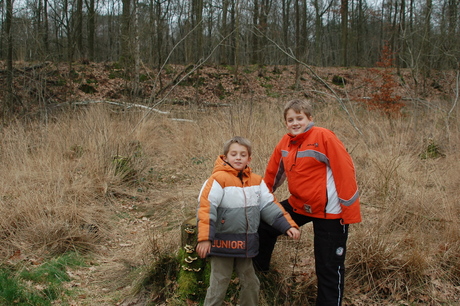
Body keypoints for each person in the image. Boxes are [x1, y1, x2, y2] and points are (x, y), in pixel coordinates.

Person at [253, 99, 362, 306]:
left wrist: (349, 212)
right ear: (285, 123)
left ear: (310, 119)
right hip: (299, 205)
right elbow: (273, 174)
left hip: (331, 212)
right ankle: (260, 276)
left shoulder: (323, 137)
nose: (295, 123)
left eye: (299, 118)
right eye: (290, 119)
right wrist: (260, 201)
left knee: (328, 266)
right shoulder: (285, 142)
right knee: (265, 224)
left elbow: (345, 172)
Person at [196, 136, 301, 306]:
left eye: (243, 154)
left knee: (251, 283)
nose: (238, 158)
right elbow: (206, 208)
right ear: (225, 156)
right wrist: (205, 238)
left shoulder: (256, 181)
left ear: (249, 158)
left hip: (245, 245)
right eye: (234, 154)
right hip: (222, 245)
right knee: (218, 284)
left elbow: (269, 206)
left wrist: (287, 225)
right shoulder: (217, 180)